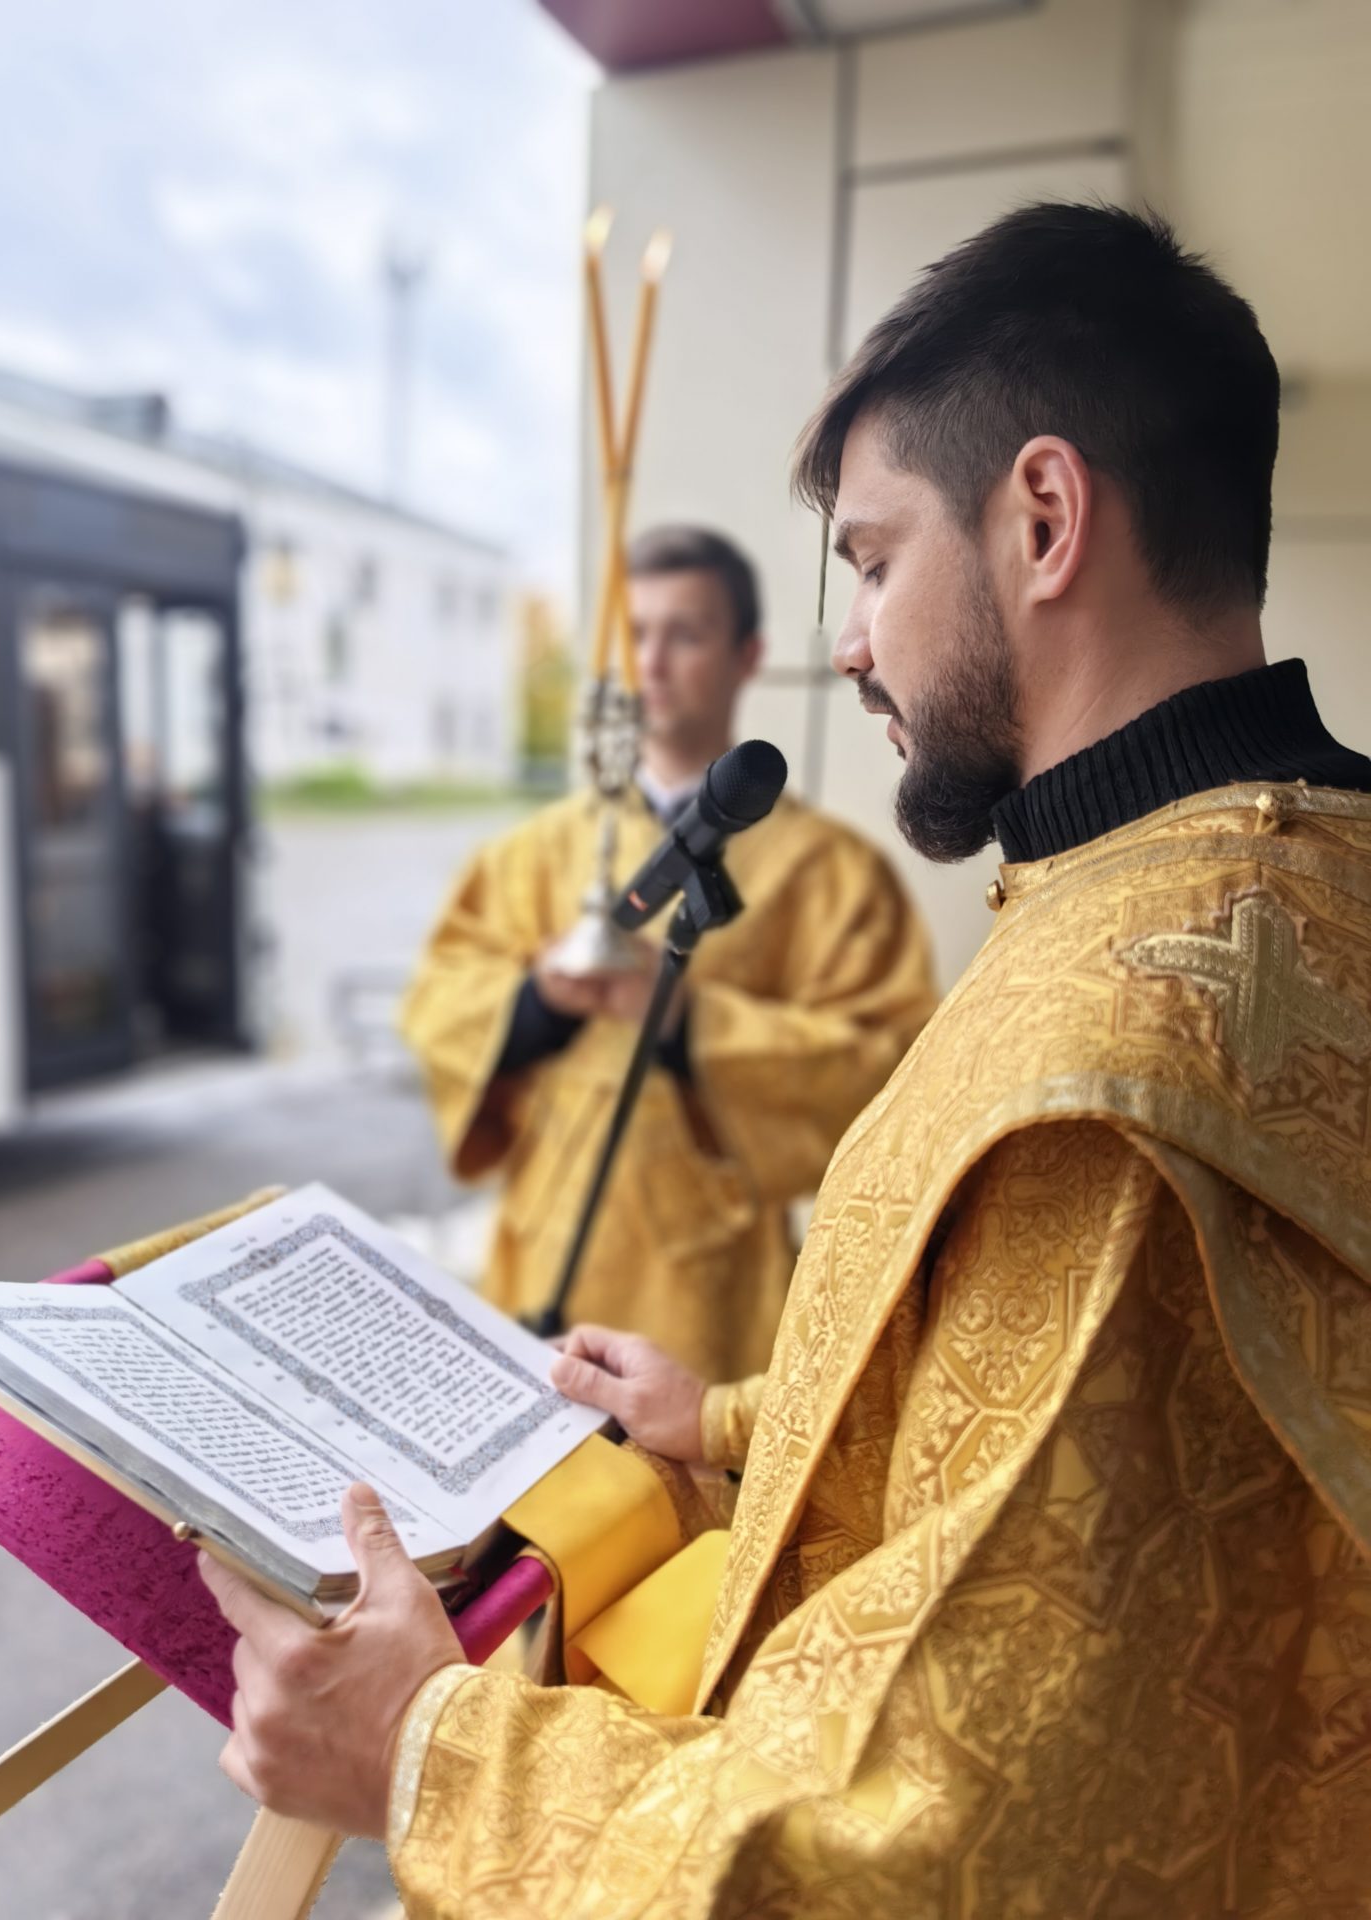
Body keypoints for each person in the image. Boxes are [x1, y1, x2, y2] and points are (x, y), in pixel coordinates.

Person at [203, 204, 1371, 1914]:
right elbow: (1017, 1411)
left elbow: (941, 1844)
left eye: (876, 562)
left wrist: (422, 1753)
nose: (854, 641)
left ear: (1045, 520)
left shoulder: (1122, 1065)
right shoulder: (1257, 878)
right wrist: (732, 1423)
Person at [400, 524, 935, 1378]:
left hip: (709, 1286)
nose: (651, 662)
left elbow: (887, 1068)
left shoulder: (831, 872)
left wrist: (688, 1020)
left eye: (684, 634)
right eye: (636, 634)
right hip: (543, 1250)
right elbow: (440, 999)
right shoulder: (534, 852)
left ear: (746, 654)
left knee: (689, 1463)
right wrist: (538, 1003)